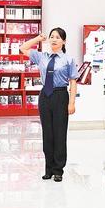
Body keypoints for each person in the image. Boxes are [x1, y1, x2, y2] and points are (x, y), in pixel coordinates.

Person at [20, 28, 78, 182]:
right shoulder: (42, 57)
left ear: (64, 41)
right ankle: (49, 168)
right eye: (52, 36)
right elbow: (23, 48)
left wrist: (72, 102)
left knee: (60, 133)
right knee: (47, 134)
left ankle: (58, 170)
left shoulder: (68, 59)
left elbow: (73, 81)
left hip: (60, 95)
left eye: (57, 37)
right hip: (45, 96)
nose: (54, 39)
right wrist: (38, 38)